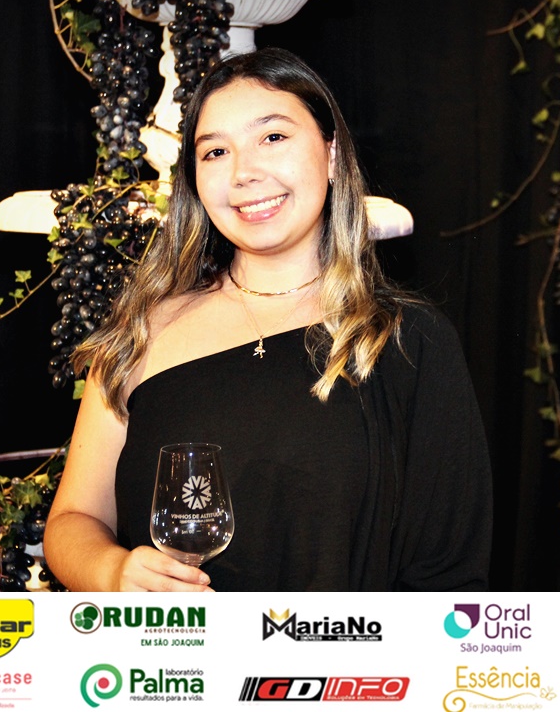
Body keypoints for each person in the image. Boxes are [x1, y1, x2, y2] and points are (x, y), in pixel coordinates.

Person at [43, 47, 492, 591]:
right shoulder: (142, 330)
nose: (244, 173)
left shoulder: (407, 342)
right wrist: (111, 570)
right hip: (175, 648)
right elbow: (74, 520)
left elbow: (448, 576)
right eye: (215, 152)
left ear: (331, 154)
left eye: (273, 137)